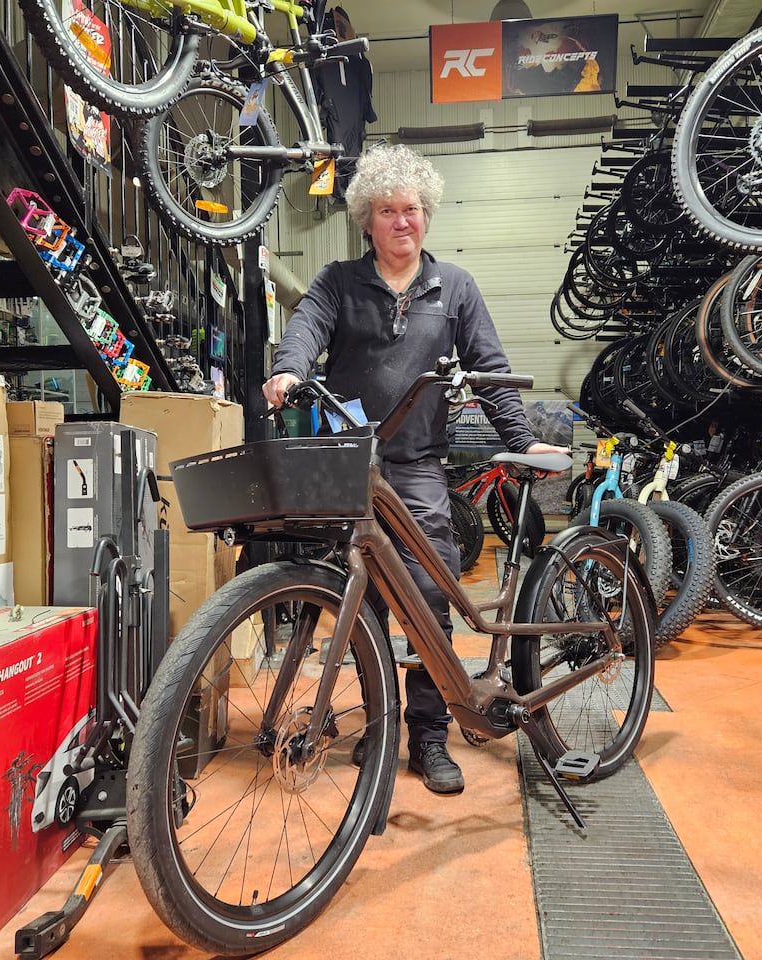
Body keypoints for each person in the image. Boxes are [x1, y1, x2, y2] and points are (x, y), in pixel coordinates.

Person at [262, 143, 568, 795]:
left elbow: (487, 368)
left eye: (411, 209)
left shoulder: (453, 287)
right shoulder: (338, 284)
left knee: (430, 599)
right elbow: (306, 327)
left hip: (419, 465)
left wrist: (521, 441)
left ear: (425, 215)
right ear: (365, 220)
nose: (401, 221)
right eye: (386, 210)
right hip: (350, 466)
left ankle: (430, 736)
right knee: (363, 600)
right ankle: (382, 728)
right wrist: (289, 368)